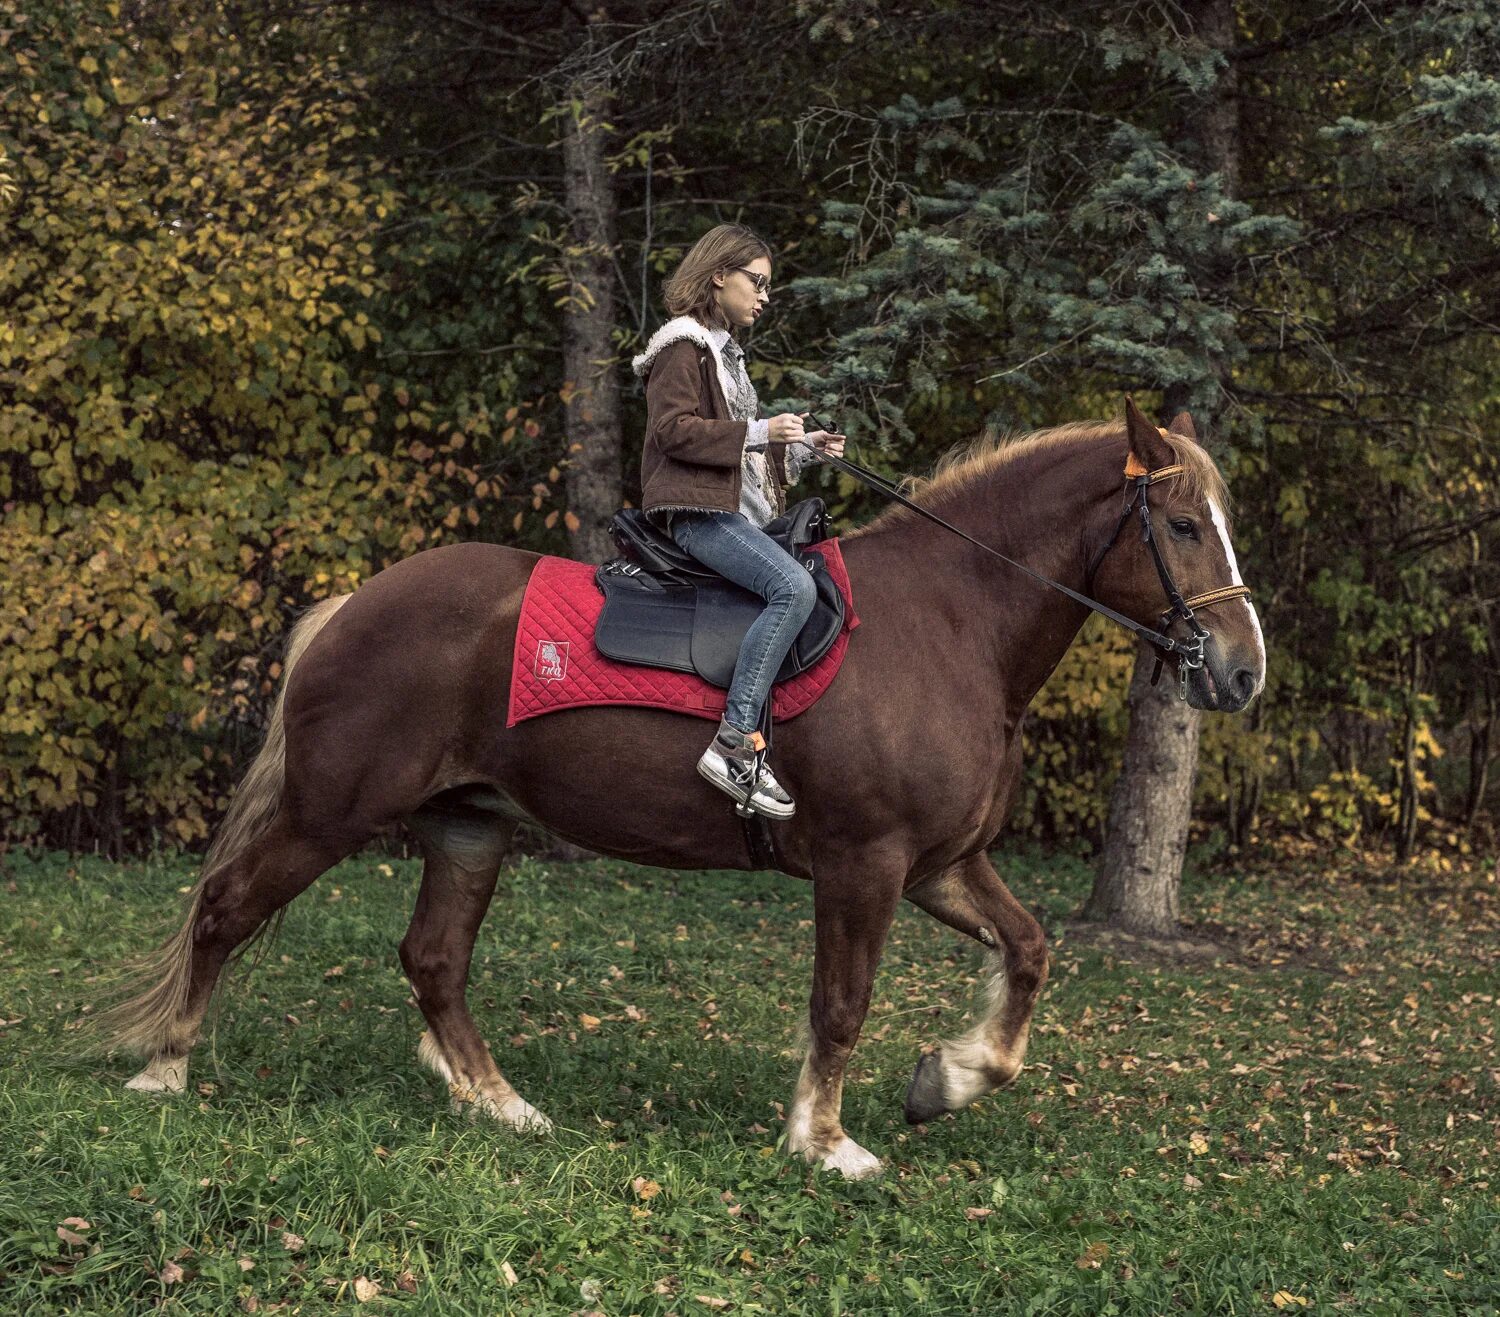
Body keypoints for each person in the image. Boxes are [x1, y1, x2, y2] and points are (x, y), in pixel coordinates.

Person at [631, 223, 845, 819]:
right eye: (757, 282)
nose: (764, 296)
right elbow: (672, 432)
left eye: (768, 287)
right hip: (697, 516)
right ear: (719, 274)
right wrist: (760, 429)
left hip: (731, 513)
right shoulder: (682, 345)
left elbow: (745, 459)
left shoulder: (726, 355)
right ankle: (732, 741)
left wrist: (802, 449)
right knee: (792, 586)